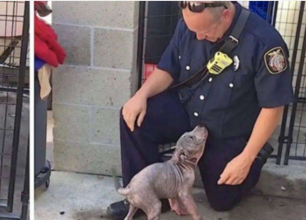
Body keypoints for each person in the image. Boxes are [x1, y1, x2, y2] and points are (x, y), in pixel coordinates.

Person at [107, 1, 294, 219]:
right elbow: (168, 68)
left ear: (225, 15)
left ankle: (252, 162)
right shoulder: (189, 25)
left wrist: (246, 157)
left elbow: (273, 106)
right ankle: (146, 197)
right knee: (134, 117)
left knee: (222, 200)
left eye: (204, 32)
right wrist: (141, 95)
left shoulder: (265, 43)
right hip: (188, 110)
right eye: (192, 30)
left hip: (226, 128)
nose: (197, 37)